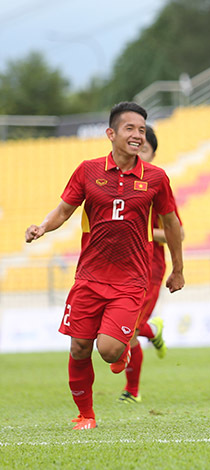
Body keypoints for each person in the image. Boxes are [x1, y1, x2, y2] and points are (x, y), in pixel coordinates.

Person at [25, 102, 184, 429]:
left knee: (109, 350)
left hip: (131, 280)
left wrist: (178, 269)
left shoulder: (156, 178)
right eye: (130, 129)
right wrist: (42, 227)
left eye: (142, 130)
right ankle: (86, 415)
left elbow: (172, 226)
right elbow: (63, 211)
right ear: (111, 134)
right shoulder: (87, 170)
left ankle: (123, 350)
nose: (137, 135)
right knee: (79, 347)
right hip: (89, 277)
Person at [118, 125, 184, 404]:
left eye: (144, 149)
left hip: (149, 267)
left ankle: (132, 392)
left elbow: (177, 232)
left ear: (153, 153)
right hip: (122, 265)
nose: (139, 153)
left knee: (127, 328)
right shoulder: (118, 184)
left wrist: (140, 229)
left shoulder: (156, 185)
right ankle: (153, 331)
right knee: (121, 327)